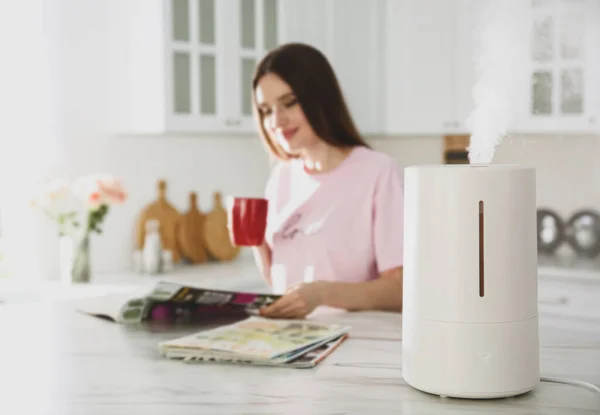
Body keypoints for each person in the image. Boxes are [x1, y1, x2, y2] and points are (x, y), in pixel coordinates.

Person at [250, 42, 404, 319]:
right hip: (291, 343)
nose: (276, 121)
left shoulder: (377, 172)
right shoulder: (281, 179)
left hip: (357, 346)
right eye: (265, 110)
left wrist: (321, 293)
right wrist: (256, 243)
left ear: (319, 97)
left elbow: (400, 289)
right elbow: (281, 286)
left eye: (289, 103)